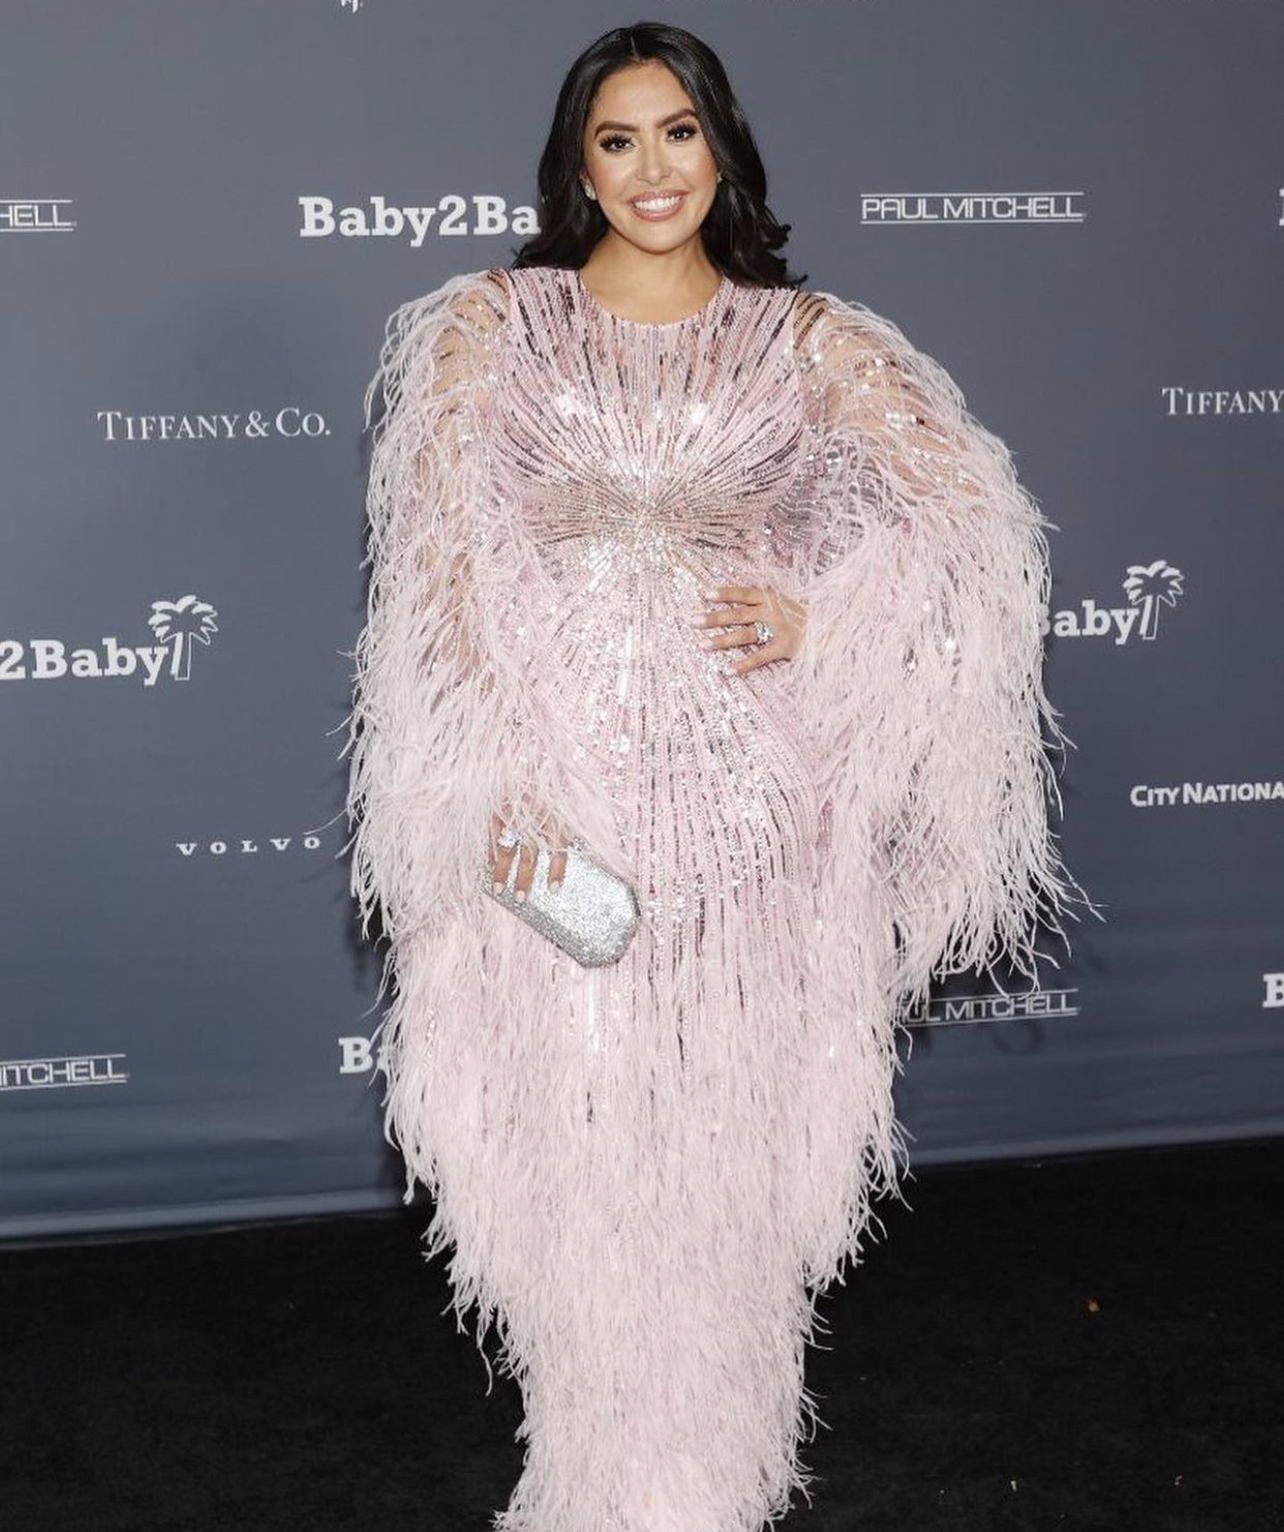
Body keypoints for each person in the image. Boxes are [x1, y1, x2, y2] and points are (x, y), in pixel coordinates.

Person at [342, 19, 1081, 1532]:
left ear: (723, 147)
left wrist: (831, 615)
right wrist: (489, 782)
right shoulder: (490, 329)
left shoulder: (805, 342)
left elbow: (977, 529)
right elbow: (437, 576)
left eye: (677, 133)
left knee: (720, 1166)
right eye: (617, 141)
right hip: (551, 806)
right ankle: (596, 1479)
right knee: (579, 1162)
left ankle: (709, 1488)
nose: (652, 169)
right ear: (577, 168)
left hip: (747, 813)